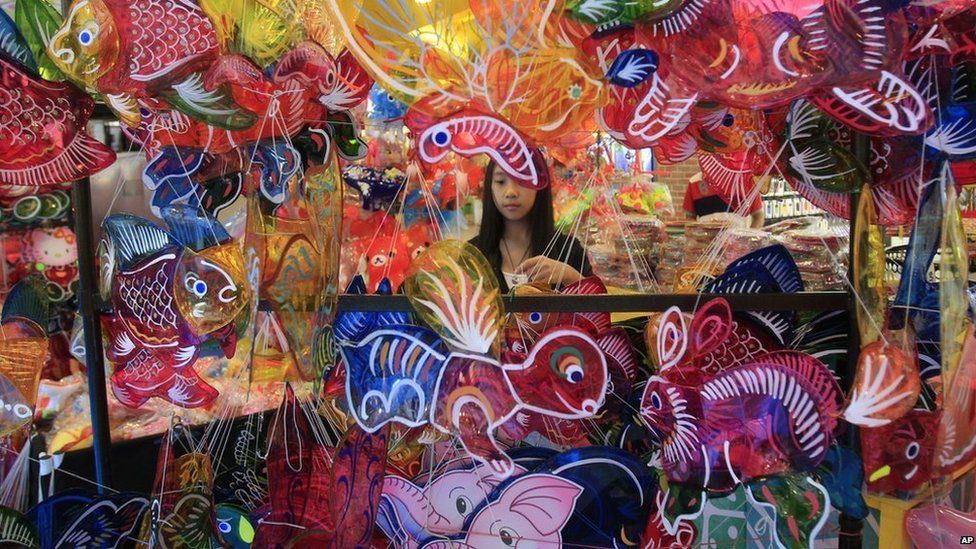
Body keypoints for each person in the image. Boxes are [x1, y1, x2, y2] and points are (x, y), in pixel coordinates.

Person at [471, 159, 593, 293]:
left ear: (540, 184)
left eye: (522, 180)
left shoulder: (569, 251)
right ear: (490, 186)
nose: (511, 192)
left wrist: (570, 276)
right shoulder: (470, 255)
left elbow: (599, 311)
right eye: (500, 181)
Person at [683, 172, 765, 228]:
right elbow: (689, 218)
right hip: (707, 246)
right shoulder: (694, 181)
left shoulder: (747, 179)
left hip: (739, 248)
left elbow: (758, 216)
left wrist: (749, 241)